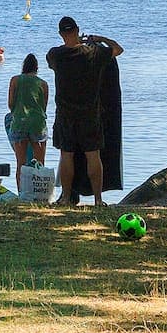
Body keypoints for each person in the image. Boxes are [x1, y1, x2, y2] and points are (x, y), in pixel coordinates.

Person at [46, 16, 123, 207]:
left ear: (60, 34)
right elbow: (118, 50)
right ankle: (98, 200)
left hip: (65, 115)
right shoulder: (94, 53)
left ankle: (65, 197)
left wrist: (77, 43)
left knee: (66, 155)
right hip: (90, 114)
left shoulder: (55, 55)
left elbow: (54, 59)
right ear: (77, 30)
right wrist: (99, 39)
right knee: (93, 155)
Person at [7, 54, 49, 189]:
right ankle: (39, 193)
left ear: (23, 66)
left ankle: (22, 193)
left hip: (19, 122)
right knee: (40, 163)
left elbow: (10, 104)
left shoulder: (14, 80)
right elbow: (44, 107)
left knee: (21, 163)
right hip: (38, 125)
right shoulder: (43, 84)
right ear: (37, 68)